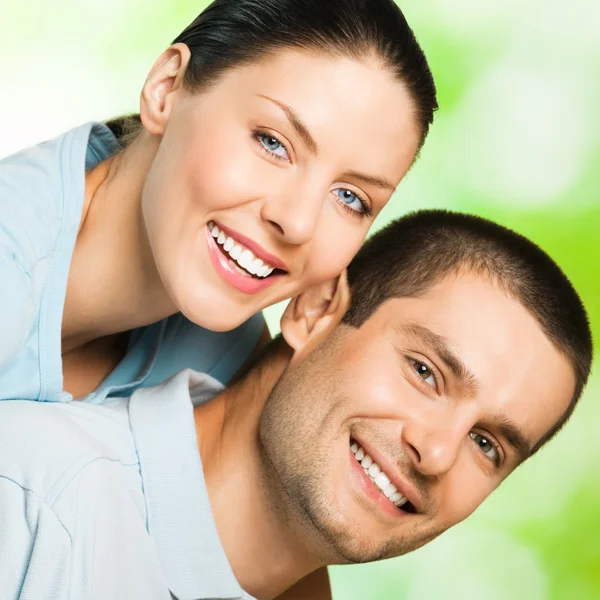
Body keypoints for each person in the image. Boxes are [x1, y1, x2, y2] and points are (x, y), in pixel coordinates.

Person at [0, 210, 591, 600]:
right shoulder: (30, 497)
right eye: (425, 372)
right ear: (314, 312)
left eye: (487, 445)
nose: (436, 453)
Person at [0, 0, 437, 403]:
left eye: (350, 198)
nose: (297, 222)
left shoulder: (227, 367)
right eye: (272, 142)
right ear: (166, 89)